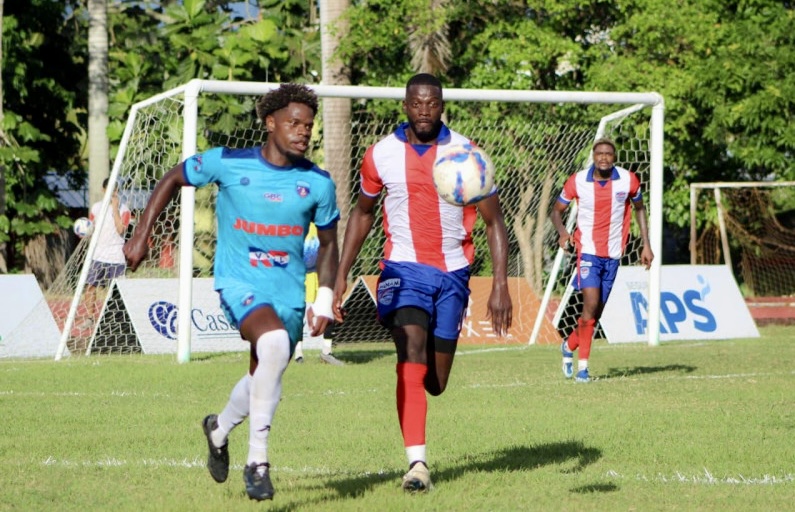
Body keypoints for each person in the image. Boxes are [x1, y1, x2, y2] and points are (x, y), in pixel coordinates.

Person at [123, 83, 340, 502]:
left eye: (309, 126)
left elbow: (329, 244)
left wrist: (326, 298)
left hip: (288, 294)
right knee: (273, 344)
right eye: (294, 123)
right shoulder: (228, 161)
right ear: (270, 122)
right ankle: (258, 463)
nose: (303, 132)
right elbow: (173, 177)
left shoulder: (317, 183)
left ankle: (218, 430)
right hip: (239, 283)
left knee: (265, 373)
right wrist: (142, 234)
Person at [332, 73, 513, 493]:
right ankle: (417, 465)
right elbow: (362, 213)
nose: (424, 111)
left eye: (432, 103)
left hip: (453, 274)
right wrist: (341, 274)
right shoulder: (381, 154)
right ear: (405, 106)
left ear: (442, 105)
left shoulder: (467, 153)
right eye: (417, 103)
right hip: (402, 269)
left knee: (436, 382)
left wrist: (500, 284)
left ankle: (421, 394)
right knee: (410, 347)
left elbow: (494, 221)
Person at [550, 137, 654, 383]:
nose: (604, 157)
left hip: (614, 254)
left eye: (608, 153)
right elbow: (556, 211)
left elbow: (640, 208)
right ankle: (583, 369)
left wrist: (646, 244)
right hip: (587, 252)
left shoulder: (628, 180)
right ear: (593, 156)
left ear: (614, 157)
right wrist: (563, 233)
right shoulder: (577, 181)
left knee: (595, 313)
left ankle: (569, 345)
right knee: (590, 303)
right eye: (599, 154)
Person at [294, 223, 344, 365]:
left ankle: (327, 351)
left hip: (322, 272)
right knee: (298, 310)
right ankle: (298, 353)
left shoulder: (324, 222)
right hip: (300, 272)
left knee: (330, 305)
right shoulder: (297, 220)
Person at [83, 177, 132, 324]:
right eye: (110, 190)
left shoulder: (124, 209)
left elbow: (120, 230)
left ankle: (120, 320)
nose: (113, 193)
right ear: (103, 190)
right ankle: (90, 318)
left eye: (115, 190)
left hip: (116, 255)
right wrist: (84, 232)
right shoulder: (96, 208)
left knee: (118, 290)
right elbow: (91, 227)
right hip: (98, 254)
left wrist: (115, 209)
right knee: (90, 287)